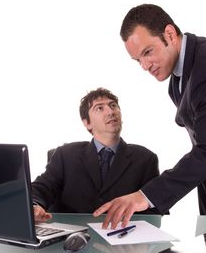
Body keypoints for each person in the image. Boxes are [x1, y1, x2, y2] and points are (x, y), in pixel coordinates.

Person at [93, 4, 206, 229]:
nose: (145, 66)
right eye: (138, 60)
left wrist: (145, 195)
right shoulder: (179, 74)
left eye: (147, 52)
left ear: (170, 34)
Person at [32, 87, 159, 221]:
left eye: (113, 106)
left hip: (123, 235)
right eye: (99, 108)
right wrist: (34, 206)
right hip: (73, 235)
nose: (110, 111)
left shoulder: (146, 159)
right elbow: (42, 187)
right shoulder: (65, 155)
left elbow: (154, 207)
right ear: (87, 123)